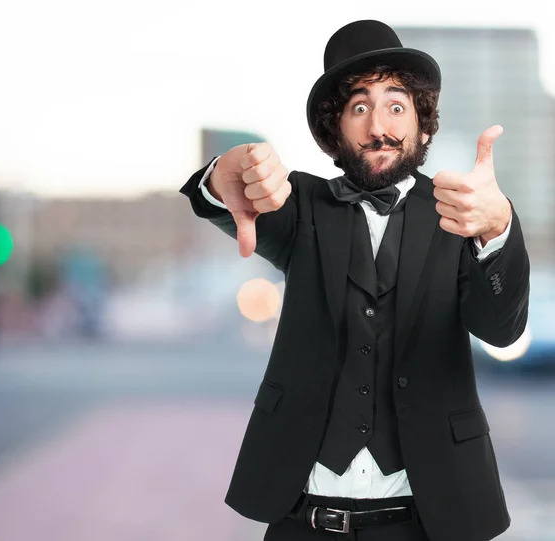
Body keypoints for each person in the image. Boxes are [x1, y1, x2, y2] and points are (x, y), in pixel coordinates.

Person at [179, 19, 529, 541]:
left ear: (423, 124)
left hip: (429, 517)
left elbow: (501, 330)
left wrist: (498, 228)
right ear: (334, 130)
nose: (377, 126)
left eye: (396, 105)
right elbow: (239, 200)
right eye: (359, 107)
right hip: (304, 517)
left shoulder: (460, 213)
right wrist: (220, 175)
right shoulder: (298, 204)